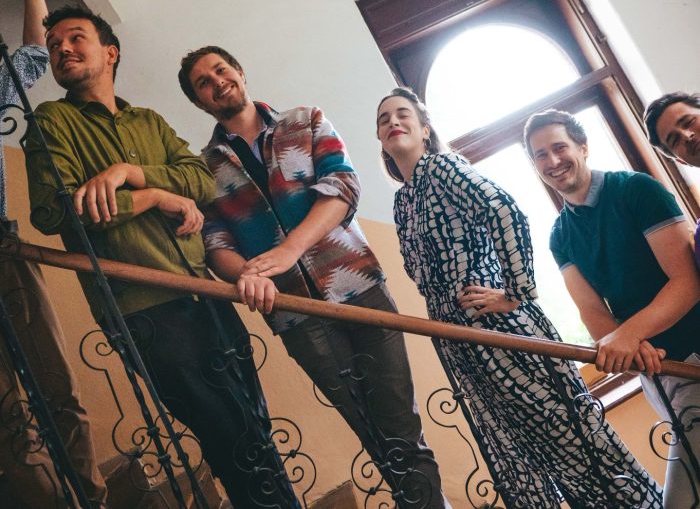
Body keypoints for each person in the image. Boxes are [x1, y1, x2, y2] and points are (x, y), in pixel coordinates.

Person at [23, 8, 300, 508]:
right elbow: (56, 210)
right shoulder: (52, 121)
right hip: (143, 310)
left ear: (110, 52)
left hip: (206, 294)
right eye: (54, 43)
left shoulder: (148, 121)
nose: (61, 48)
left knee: (254, 427)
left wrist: (132, 173)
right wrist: (154, 197)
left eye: (76, 38)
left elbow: (201, 179)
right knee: (230, 437)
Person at [178, 47, 449, 509]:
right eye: (203, 82)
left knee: (402, 426)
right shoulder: (205, 169)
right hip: (295, 315)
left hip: (361, 290)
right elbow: (216, 242)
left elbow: (342, 187)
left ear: (239, 71)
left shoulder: (305, 121)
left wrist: (288, 251)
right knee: (371, 432)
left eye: (221, 69)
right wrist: (249, 276)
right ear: (199, 101)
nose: (217, 81)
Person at [378, 88, 662, 509]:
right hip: (462, 345)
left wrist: (516, 292)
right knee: (521, 459)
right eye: (384, 119)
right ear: (380, 140)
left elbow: (503, 210)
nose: (393, 122)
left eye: (403, 114)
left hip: (499, 330)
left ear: (424, 129)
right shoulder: (404, 200)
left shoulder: (441, 168)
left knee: (574, 447)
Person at [524, 108, 700, 508]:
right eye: (540, 155)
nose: (553, 161)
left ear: (583, 148)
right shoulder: (559, 236)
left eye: (559, 147)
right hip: (656, 376)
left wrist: (628, 335)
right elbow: (592, 313)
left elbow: (688, 283)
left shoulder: (636, 189)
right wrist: (627, 346)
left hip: (693, 359)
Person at [0, 0, 107, 507]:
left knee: (57, 388)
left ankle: (89, 497)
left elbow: (31, 61)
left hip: (3, 252)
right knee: (8, 416)